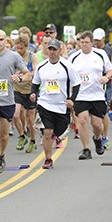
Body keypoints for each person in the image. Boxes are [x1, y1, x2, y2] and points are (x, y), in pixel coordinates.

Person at [0, 30, 30, 181]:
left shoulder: (13, 56)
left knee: (3, 135)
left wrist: (19, 78)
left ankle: (1, 154)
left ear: (5, 41)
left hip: (7, 101)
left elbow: (28, 74)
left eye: (2, 39)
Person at [31, 39, 81, 169]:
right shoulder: (41, 66)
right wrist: (33, 93)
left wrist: (72, 100)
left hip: (61, 105)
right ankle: (48, 159)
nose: (52, 52)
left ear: (60, 50)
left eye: (55, 49)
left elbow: (76, 84)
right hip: (45, 103)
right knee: (47, 132)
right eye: (50, 49)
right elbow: (35, 83)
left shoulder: (67, 66)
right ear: (47, 50)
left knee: (60, 130)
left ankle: (54, 137)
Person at [69, 31, 112, 160]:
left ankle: (97, 138)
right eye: (82, 42)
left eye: (87, 42)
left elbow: (110, 69)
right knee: (82, 120)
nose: (84, 45)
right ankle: (86, 149)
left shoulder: (100, 54)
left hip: (97, 95)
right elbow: (68, 75)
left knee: (97, 125)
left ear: (92, 42)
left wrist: (106, 77)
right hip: (81, 95)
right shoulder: (74, 57)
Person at [92, 28, 112, 150]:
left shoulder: (109, 50)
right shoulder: (90, 51)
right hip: (93, 85)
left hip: (106, 83)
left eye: (98, 40)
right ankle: (98, 134)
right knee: (95, 114)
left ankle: (104, 137)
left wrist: (108, 75)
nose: (96, 42)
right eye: (95, 40)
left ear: (103, 39)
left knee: (104, 112)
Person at [13, 36, 38, 153]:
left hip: (29, 90)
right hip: (17, 89)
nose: (19, 50)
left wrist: (24, 75)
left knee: (30, 119)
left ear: (26, 47)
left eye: (21, 48)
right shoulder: (14, 56)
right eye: (17, 48)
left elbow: (35, 71)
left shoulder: (32, 56)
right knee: (15, 115)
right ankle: (22, 135)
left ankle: (33, 140)